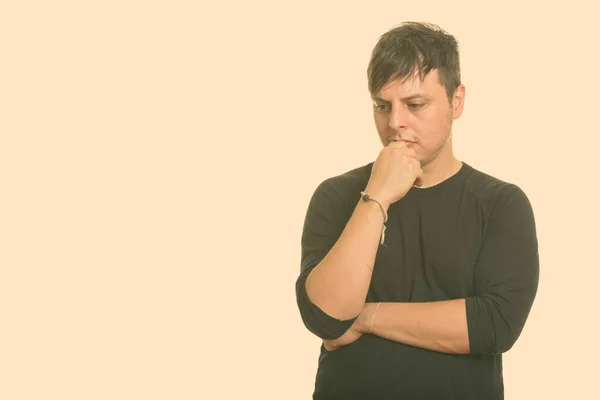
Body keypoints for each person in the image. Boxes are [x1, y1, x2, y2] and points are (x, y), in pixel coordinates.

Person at [295, 21, 539, 399]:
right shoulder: (337, 195)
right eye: (382, 105)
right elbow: (325, 317)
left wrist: (365, 317)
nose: (395, 123)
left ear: (456, 101)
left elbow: (494, 325)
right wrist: (377, 195)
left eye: (415, 105)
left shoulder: (501, 203)